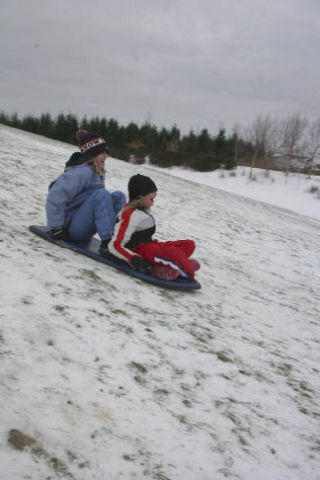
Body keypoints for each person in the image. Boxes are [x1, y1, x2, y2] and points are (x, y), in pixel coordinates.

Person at [105, 174, 200, 280]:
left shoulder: (139, 211)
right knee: (176, 255)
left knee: (189, 245)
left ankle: (174, 265)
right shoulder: (130, 215)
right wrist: (133, 259)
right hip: (141, 251)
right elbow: (114, 245)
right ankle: (159, 271)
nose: (152, 203)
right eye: (151, 199)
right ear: (140, 197)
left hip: (150, 245)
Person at [46, 129, 126, 249]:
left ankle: (116, 238)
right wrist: (56, 228)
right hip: (71, 229)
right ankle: (108, 243)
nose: (107, 155)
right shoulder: (81, 172)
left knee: (119, 196)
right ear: (93, 153)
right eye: (103, 152)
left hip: (84, 225)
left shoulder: (97, 172)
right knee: (101, 194)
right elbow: (56, 196)